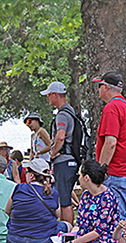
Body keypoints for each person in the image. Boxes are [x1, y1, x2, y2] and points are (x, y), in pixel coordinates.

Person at [93, 71, 126, 220]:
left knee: (115, 217)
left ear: (106, 87)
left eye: (99, 86)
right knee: (123, 215)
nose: (98, 90)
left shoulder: (111, 108)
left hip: (116, 171)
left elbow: (111, 142)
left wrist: (101, 168)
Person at [5, 158, 69, 243]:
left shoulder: (19, 188)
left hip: (14, 240)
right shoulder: (53, 193)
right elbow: (57, 215)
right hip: (43, 240)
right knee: (65, 225)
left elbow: (7, 210)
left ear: (31, 176)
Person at [42, 80, 81, 227]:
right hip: (72, 160)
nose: (47, 98)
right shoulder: (72, 112)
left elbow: (60, 136)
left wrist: (53, 153)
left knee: (64, 200)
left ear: (55, 95)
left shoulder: (62, 115)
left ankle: (66, 232)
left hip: (64, 160)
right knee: (65, 197)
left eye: (48, 95)